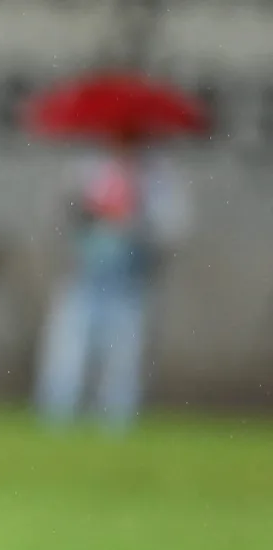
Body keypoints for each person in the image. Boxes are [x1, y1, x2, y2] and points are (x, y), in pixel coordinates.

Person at [33, 127, 191, 432]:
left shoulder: (156, 178)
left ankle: (116, 426)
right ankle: (56, 422)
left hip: (129, 281)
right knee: (68, 354)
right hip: (84, 276)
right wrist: (88, 212)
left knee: (124, 359)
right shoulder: (85, 170)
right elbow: (58, 217)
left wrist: (137, 217)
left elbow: (172, 230)